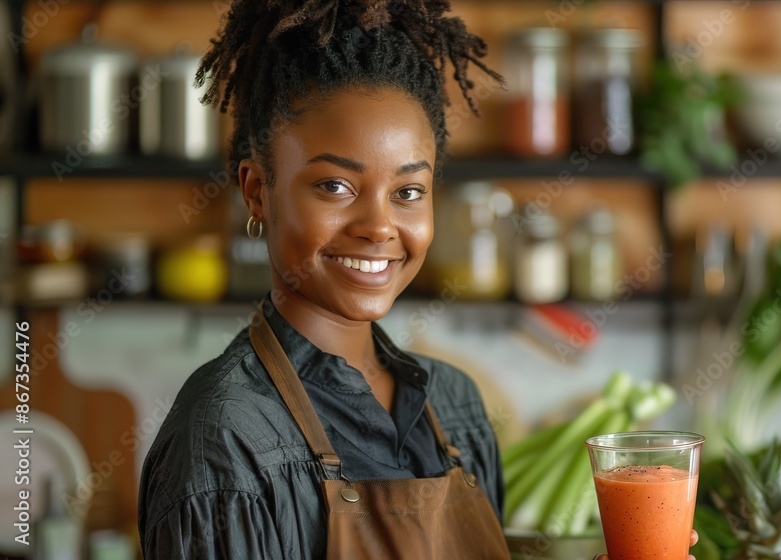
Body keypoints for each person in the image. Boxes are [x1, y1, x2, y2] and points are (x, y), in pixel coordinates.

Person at [138, 0, 696, 558]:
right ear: (257, 189)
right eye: (335, 186)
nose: (380, 227)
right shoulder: (225, 441)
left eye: (408, 192)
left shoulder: (455, 407)